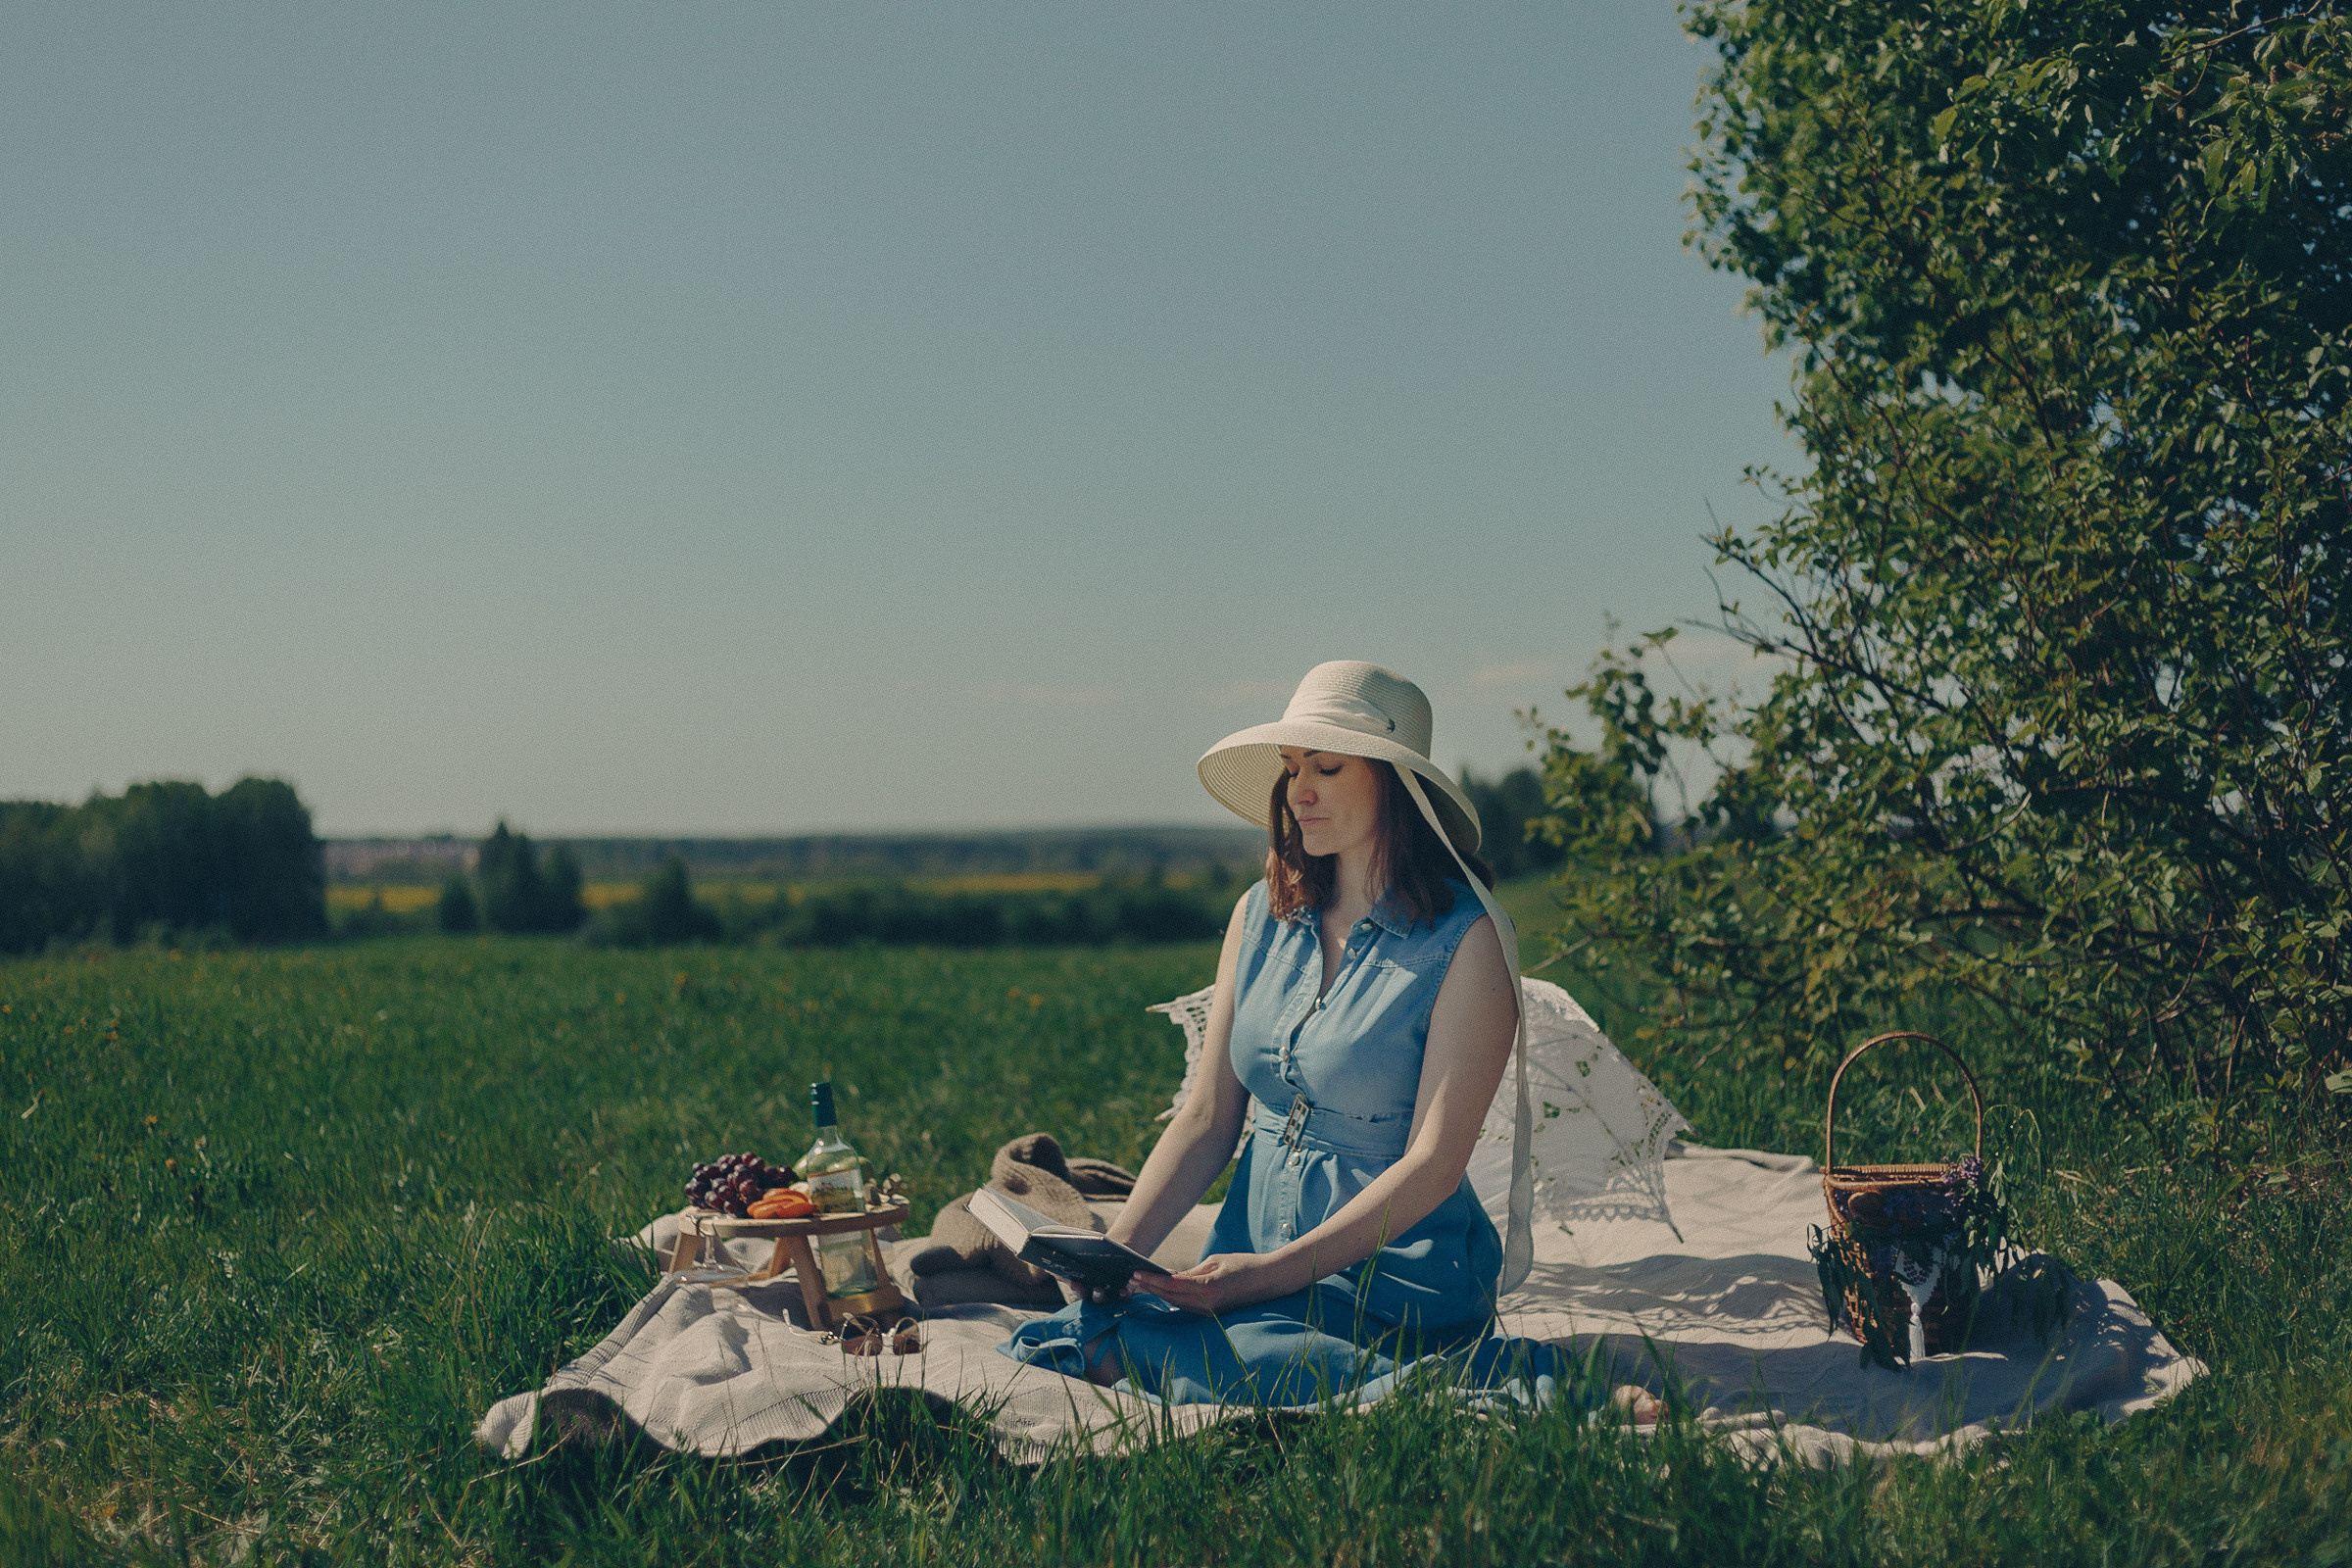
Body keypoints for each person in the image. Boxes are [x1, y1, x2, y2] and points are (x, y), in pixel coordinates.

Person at [996, 661, 1592, 1407]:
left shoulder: (1464, 943)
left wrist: (1269, 1277)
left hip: (1393, 1269)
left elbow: (1436, 1164)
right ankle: (1289, 1350)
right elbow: (1210, 1118)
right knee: (1080, 1333)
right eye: (1290, 768)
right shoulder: (1260, 915)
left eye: (1328, 768)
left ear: (1394, 783)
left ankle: (1488, 1378)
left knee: (1213, 1358)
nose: (1298, 792)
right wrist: (1120, 1256)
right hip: (1251, 1250)